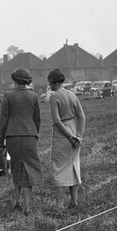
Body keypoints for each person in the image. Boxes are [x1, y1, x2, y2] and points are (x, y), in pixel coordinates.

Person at [0, 67, 44, 216]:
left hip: (13, 136)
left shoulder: (8, 96)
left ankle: (16, 201)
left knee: (16, 167)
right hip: (29, 136)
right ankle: (27, 207)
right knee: (30, 169)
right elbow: (37, 120)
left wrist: (0, 139)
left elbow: (3, 119)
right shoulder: (34, 96)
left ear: (14, 79)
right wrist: (34, 133)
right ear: (28, 81)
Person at [47, 67, 85, 210]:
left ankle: (59, 204)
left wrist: (69, 136)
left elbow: (56, 120)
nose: (49, 86)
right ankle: (74, 201)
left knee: (58, 168)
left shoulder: (54, 96)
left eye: (50, 83)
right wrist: (78, 136)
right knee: (74, 165)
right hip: (74, 129)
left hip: (62, 133)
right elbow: (82, 117)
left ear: (54, 82)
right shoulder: (72, 94)